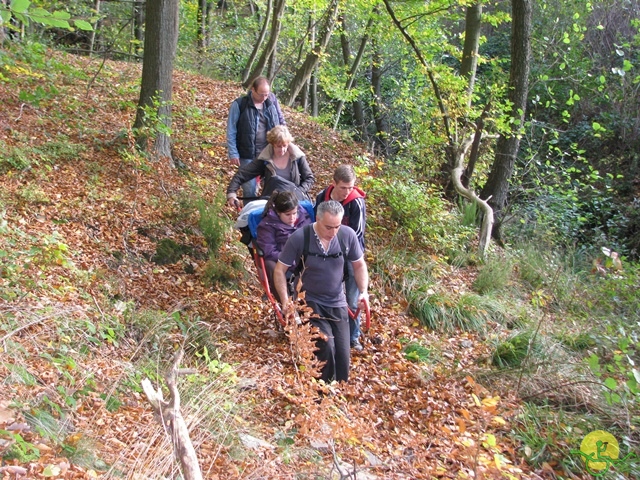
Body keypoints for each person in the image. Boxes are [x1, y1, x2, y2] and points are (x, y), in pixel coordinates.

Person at [274, 200, 369, 383]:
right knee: (325, 347)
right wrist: (285, 300)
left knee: (342, 356)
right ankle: (320, 394)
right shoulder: (301, 237)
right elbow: (279, 270)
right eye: (328, 227)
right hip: (309, 301)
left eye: (337, 226)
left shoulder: (347, 235)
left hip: (336, 301)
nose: (333, 232)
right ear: (317, 219)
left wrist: (363, 292)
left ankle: (337, 393)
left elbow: (359, 266)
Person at [314, 165, 366, 351]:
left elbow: (357, 233)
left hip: (351, 254)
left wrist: (341, 252)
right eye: (343, 187)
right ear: (334, 183)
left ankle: (353, 337)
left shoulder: (356, 202)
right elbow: (316, 224)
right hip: (326, 252)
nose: (347, 192)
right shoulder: (322, 198)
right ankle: (325, 330)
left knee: (353, 299)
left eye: (350, 187)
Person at [226, 76, 286, 199]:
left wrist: (285, 143)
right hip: (246, 154)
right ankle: (249, 214)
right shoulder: (240, 104)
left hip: (269, 152)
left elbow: (281, 122)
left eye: (267, 94)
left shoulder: (271, 103)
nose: (264, 98)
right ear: (253, 90)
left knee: (272, 187)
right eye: (261, 94)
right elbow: (231, 130)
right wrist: (233, 152)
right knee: (249, 189)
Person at [226, 125, 315, 207]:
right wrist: (231, 193)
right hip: (271, 201)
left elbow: (309, 178)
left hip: (294, 201)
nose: (282, 150)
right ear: (272, 144)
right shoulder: (265, 159)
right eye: (278, 146)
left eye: (285, 146)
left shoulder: (297, 157)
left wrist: (298, 192)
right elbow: (242, 174)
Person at [256, 190, 312, 301]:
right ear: (278, 212)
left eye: (294, 213)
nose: (292, 218)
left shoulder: (304, 215)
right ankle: (285, 302)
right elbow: (269, 251)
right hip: (282, 260)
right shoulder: (267, 225)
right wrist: (289, 259)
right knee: (270, 265)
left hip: (305, 257)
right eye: (287, 215)